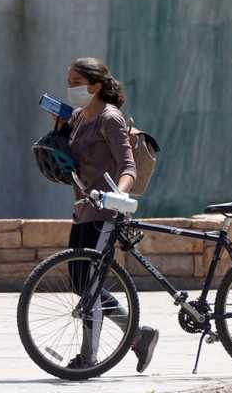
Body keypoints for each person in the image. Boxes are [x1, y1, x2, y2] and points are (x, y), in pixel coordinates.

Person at [55, 57, 159, 373]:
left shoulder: (109, 117)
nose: (71, 88)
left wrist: (119, 195)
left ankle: (88, 358)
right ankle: (139, 335)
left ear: (96, 85)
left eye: (76, 82)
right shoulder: (77, 117)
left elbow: (127, 165)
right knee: (79, 281)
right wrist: (57, 131)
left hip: (104, 211)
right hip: (83, 208)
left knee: (90, 285)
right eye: (69, 81)